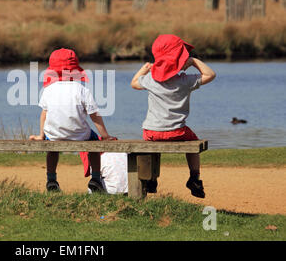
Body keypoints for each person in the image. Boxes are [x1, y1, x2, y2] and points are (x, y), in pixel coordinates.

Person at [131, 34, 216, 198]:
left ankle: (151, 179)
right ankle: (194, 177)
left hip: (151, 132)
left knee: (152, 143)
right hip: (177, 132)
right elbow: (210, 74)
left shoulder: (150, 80)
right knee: (193, 141)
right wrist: (193, 61)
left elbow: (134, 83)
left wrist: (144, 68)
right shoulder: (185, 80)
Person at [29, 48, 116, 192]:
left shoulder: (48, 89)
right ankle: (95, 178)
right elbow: (94, 115)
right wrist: (105, 136)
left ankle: (51, 179)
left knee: (52, 148)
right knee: (94, 143)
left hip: (55, 135)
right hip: (80, 136)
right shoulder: (81, 89)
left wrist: (41, 136)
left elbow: (44, 114)